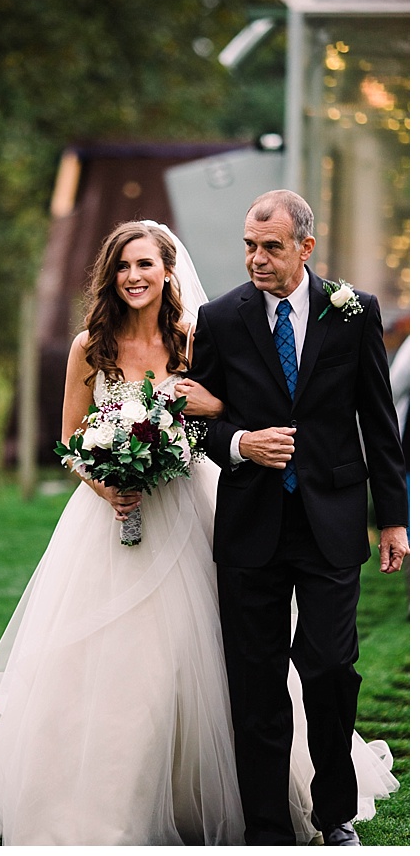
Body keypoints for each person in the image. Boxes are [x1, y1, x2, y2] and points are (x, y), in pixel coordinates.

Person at [0, 220, 397, 845]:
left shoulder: (197, 337)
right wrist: (107, 483)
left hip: (193, 507)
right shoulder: (91, 347)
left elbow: (238, 409)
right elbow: (70, 441)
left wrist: (214, 411)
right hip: (110, 519)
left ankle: (248, 799)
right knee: (115, 664)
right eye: (122, 267)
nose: (133, 277)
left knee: (216, 659)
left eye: (144, 264)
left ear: (168, 270)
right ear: (110, 277)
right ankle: (103, 806)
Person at [189, 189, 409, 846]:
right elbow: (202, 421)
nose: (256, 258)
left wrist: (393, 518)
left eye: (271, 247)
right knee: (255, 683)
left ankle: (334, 814)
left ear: (305, 248)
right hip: (250, 523)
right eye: (250, 246)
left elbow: (380, 419)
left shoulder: (354, 312)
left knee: (330, 669)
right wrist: (240, 444)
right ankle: (265, 827)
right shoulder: (220, 317)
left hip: (333, 521)